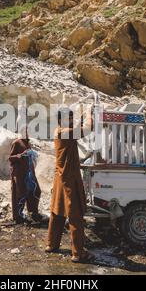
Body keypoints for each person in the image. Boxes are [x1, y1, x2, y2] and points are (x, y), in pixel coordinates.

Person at [46, 108, 95, 263]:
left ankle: (51, 245)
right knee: (75, 216)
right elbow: (87, 128)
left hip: (60, 177)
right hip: (68, 179)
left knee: (57, 212)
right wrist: (88, 114)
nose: (72, 121)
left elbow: (76, 129)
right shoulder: (64, 132)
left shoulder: (59, 131)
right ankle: (78, 253)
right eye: (70, 119)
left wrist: (79, 117)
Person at [8, 129, 47, 225]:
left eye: (27, 131)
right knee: (19, 193)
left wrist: (32, 155)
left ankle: (33, 213)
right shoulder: (16, 142)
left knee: (36, 191)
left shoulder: (28, 143)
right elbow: (10, 158)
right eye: (24, 131)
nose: (27, 132)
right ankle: (18, 217)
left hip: (29, 173)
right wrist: (20, 155)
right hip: (19, 173)